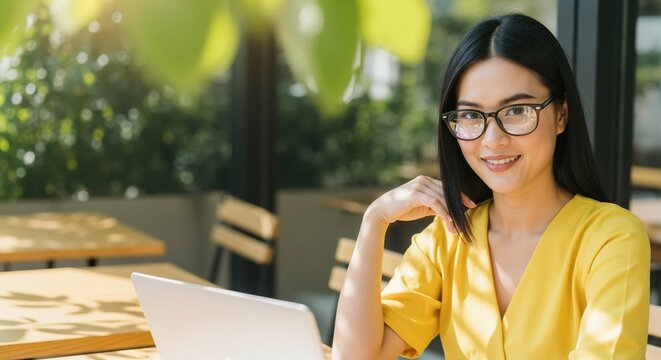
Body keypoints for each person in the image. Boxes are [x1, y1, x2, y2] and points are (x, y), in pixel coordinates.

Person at [331, 13, 650, 359]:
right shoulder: (448, 239)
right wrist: (375, 219)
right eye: (470, 115)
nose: (492, 140)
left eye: (516, 111)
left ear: (561, 115)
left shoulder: (611, 239)